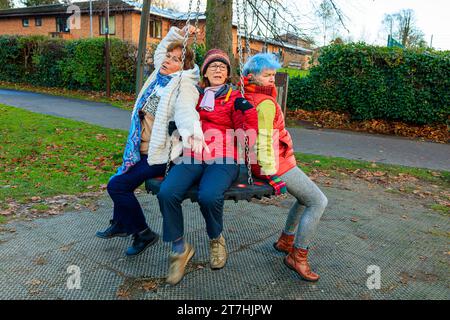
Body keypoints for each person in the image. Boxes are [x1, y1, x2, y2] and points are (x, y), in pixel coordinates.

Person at [96, 26, 204, 257]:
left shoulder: (183, 86)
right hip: (140, 148)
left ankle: (143, 233)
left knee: (117, 185)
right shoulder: (159, 77)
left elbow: (186, 111)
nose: (168, 60)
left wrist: (192, 132)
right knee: (119, 177)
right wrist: (181, 33)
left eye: (176, 59)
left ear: (183, 68)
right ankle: (121, 223)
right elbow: (163, 48)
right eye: (168, 56)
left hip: (159, 155)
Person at [157, 49, 257, 285]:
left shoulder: (234, 97)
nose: (218, 70)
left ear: (229, 74)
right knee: (167, 192)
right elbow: (182, 112)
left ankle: (216, 239)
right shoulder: (195, 95)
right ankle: (180, 249)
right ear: (204, 72)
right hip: (195, 154)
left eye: (223, 67)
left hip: (224, 157)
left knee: (209, 196)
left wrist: (247, 112)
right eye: (213, 66)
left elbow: (247, 135)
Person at [241, 53, 328, 282]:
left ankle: (285, 240)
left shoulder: (248, 95)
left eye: (273, 74)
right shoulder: (265, 103)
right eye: (266, 75)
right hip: (274, 162)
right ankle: (297, 257)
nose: (272, 79)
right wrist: (270, 173)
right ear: (252, 76)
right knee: (318, 201)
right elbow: (264, 139)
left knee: (303, 198)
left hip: (276, 158)